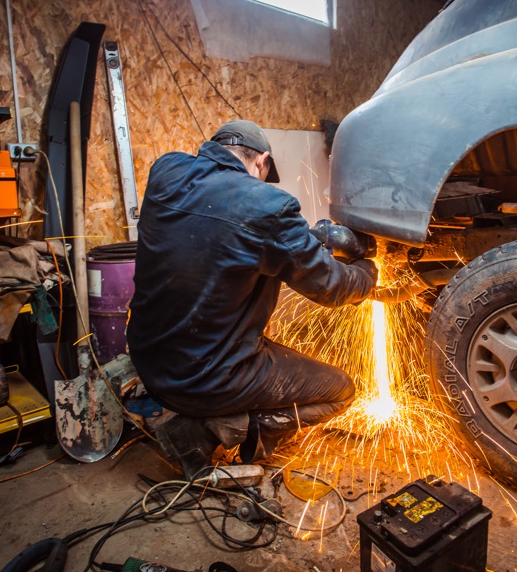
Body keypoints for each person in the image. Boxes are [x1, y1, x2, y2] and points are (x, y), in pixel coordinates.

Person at [127, 119, 378, 479]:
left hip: (151, 363)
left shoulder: (166, 172)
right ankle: (206, 431)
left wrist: (306, 240)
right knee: (340, 391)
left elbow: (222, 232)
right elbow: (331, 287)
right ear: (261, 162)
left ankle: (203, 416)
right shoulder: (268, 206)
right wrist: (368, 272)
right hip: (204, 380)